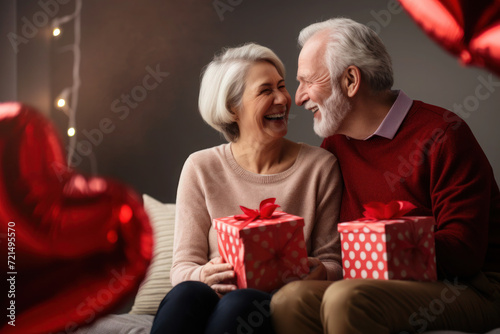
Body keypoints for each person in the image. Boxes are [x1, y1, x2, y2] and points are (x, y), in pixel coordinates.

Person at [271, 18, 500, 334]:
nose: (298, 98)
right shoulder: (334, 144)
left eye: (308, 81)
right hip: (375, 284)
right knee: (289, 299)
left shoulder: (444, 135)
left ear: (351, 80)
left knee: (345, 298)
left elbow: (464, 253)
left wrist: (382, 248)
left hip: (472, 287)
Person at [150, 43, 343, 334]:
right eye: (266, 91)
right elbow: (183, 266)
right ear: (232, 108)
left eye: (282, 86)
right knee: (187, 295)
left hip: (275, 305)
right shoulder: (201, 167)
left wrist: (321, 270)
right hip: (210, 298)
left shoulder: (320, 166)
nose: (283, 99)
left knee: (239, 303)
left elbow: (334, 262)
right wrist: (203, 274)